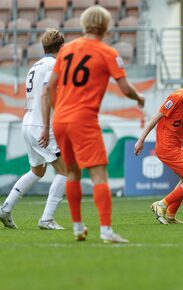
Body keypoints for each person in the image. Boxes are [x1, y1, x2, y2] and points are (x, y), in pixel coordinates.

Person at [43, 5, 145, 243]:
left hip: (61, 119)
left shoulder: (66, 51)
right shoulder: (107, 52)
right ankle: (106, 230)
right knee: (99, 175)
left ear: (84, 23)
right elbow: (125, 88)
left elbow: (50, 87)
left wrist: (60, 113)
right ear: (107, 26)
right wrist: (139, 97)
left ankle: (78, 227)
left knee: (72, 174)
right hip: (83, 119)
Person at [0, 29, 67, 230]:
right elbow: (47, 92)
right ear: (61, 47)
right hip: (41, 125)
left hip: (27, 122)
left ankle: (6, 208)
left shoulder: (34, 66)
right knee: (67, 171)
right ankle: (47, 218)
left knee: (37, 170)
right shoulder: (54, 65)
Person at [134, 63, 183, 224]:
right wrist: (141, 139)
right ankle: (161, 204)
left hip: (176, 147)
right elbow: (156, 118)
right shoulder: (177, 97)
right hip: (167, 147)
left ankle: (170, 215)